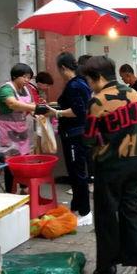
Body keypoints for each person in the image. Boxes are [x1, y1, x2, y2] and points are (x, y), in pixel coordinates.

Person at [82, 56, 137, 274]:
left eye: (89, 80)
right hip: (136, 161)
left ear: (97, 77)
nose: (89, 85)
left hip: (110, 164)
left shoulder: (98, 101)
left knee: (106, 215)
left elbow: (89, 138)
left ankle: (107, 268)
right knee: (132, 210)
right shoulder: (133, 93)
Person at [46, 52, 92, 225]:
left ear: (63, 68)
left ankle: (85, 212)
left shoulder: (74, 85)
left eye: (59, 70)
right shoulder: (80, 82)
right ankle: (76, 207)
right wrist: (55, 107)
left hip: (75, 135)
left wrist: (56, 112)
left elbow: (78, 111)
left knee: (78, 174)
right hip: (75, 133)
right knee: (74, 173)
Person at [0, 63, 40, 192]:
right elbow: (12, 104)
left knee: (23, 159)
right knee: (10, 162)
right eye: (24, 77)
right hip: (5, 130)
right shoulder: (6, 89)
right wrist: (35, 108)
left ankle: (23, 187)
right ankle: (10, 192)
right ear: (15, 76)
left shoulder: (26, 89)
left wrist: (36, 113)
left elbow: (30, 105)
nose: (27, 80)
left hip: (20, 130)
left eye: (29, 77)